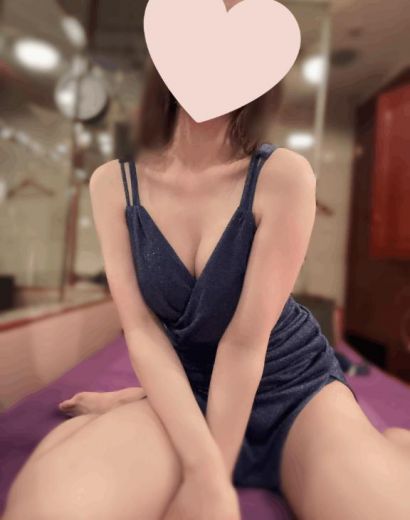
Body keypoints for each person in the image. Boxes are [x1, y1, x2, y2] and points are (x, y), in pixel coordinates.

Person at [3, 59, 410, 520]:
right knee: (55, 507)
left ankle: (392, 446)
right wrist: (203, 467)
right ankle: (139, 399)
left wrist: (210, 478)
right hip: (188, 387)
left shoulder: (283, 176)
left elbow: (244, 343)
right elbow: (141, 330)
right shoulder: (113, 184)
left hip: (291, 386)